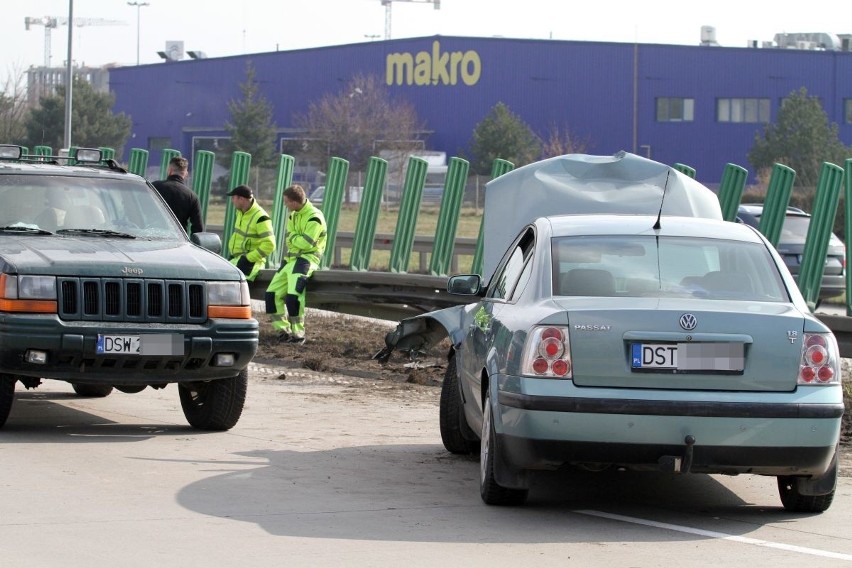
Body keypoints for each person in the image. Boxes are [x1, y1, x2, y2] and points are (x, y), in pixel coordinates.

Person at [265, 184, 327, 344]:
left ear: (294, 202)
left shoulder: (314, 217)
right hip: (290, 260)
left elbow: (306, 244)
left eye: (286, 202)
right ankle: (282, 331)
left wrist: (294, 238)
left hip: (306, 260)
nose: (285, 205)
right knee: (271, 295)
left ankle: (298, 335)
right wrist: (295, 239)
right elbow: (290, 238)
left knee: (293, 298)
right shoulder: (294, 215)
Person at [226, 184, 276, 282]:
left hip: (251, 263)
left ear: (241, 199)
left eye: (233, 198)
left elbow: (270, 244)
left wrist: (248, 258)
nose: (232, 201)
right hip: (237, 259)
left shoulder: (261, 217)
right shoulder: (240, 212)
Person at [152, 156, 204, 235]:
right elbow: (198, 229)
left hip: (152, 237)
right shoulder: (192, 196)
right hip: (178, 242)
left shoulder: (154, 187)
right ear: (186, 174)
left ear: (170, 170)